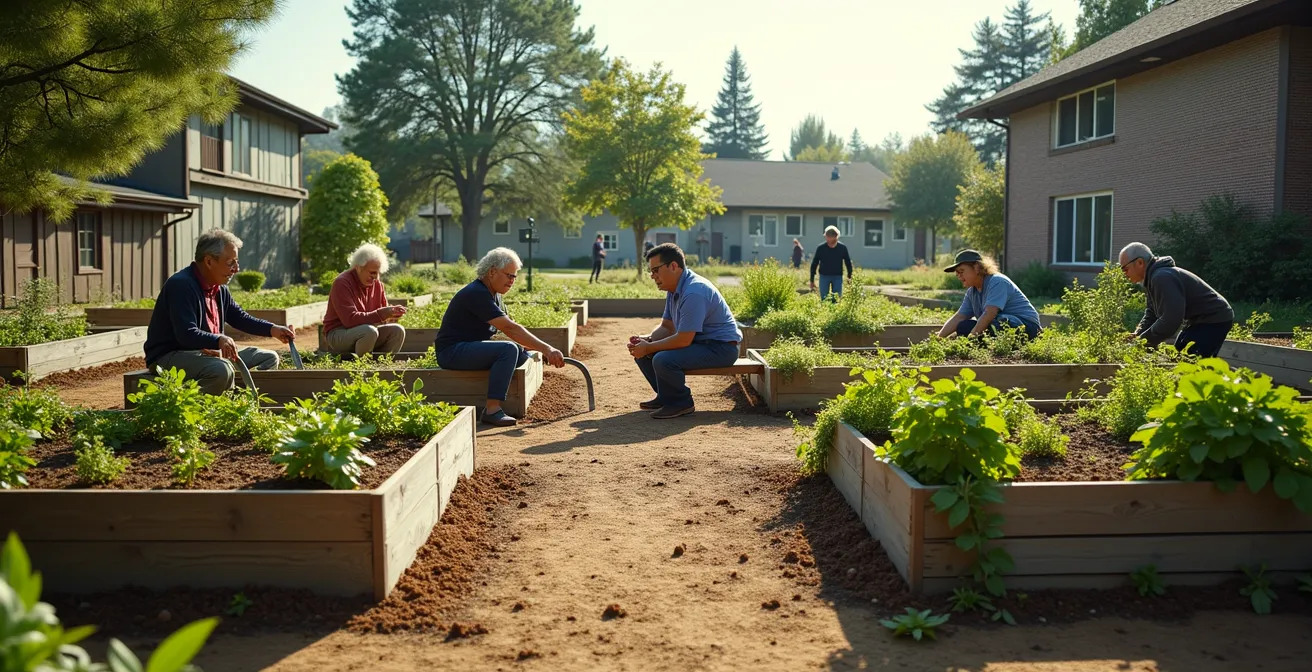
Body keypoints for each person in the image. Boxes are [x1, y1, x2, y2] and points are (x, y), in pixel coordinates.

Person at [144, 229, 295, 395]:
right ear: (209, 261)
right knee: (221, 370)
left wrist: (273, 329)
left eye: (236, 262)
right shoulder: (181, 285)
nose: (236, 269)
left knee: (269, 358)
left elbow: (239, 318)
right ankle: (196, 410)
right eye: (230, 262)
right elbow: (186, 334)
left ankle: (241, 401)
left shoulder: (220, 288)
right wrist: (218, 339)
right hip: (170, 356)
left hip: (209, 354)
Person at [435, 247, 566, 427]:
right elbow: (510, 329)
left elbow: (509, 328)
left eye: (514, 277)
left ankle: (499, 400)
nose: (512, 281)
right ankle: (492, 410)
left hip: (469, 347)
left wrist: (531, 350)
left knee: (518, 353)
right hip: (451, 352)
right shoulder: (476, 293)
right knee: (508, 349)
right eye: (509, 275)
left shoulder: (494, 294)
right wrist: (546, 348)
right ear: (492, 272)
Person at [629, 243, 742, 419]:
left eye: (656, 270)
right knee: (644, 353)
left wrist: (650, 347)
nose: (652, 276)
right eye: (651, 271)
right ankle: (666, 398)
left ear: (673, 266)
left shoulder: (694, 291)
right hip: (701, 344)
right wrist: (647, 340)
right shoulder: (674, 289)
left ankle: (681, 403)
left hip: (721, 348)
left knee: (662, 358)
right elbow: (667, 327)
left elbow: (683, 340)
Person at [1119, 242, 1233, 357]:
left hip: (1213, 319)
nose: (1124, 274)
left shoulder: (1161, 277)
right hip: (1199, 321)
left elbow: (1171, 320)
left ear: (1140, 263)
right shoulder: (1151, 278)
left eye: (1125, 269)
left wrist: (1142, 342)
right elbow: (1152, 313)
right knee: (1179, 352)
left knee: (1190, 361)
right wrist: (1138, 334)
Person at [322, 243, 407, 356]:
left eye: (377, 273)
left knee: (397, 331)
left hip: (366, 332)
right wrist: (382, 314)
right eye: (372, 273)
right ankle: (363, 368)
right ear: (358, 268)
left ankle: (381, 367)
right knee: (369, 331)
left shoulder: (377, 285)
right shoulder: (342, 283)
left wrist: (391, 315)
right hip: (339, 333)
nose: (375, 277)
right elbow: (350, 320)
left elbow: (380, 317)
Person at [937, 249, 1042, 339]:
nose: (959, 276)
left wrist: (970, 339)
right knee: (963, 326)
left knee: (998, 322)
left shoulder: (997, 282)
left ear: (977, 267)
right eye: (957, 273)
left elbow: (989, 314)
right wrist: (938, 339)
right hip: (998, 324)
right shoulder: (972, 292)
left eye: (961, 271)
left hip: (1028, 327)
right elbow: (959, 317)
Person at [809, 225, 853, 300]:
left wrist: (849, 276)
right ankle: (825, 310)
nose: (827, 238)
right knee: (824, 299)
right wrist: (812, 280)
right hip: (824, 276)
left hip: (837, 277)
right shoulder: (821, 248)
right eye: (827, 236)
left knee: (836, 298)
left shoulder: (842, 248)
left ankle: (835, 310)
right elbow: (814, 264)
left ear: (836, 237)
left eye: (829, 237)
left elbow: (848, 263)